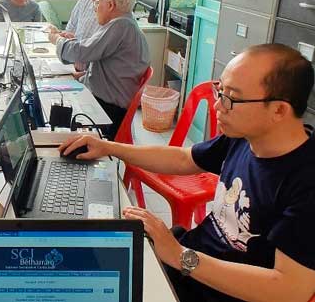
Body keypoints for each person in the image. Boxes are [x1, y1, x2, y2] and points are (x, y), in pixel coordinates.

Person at [59, 43, 315, 302]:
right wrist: (108, 147)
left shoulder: (305, 181)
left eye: (231, 98)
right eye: (220, 91)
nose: (218, 106)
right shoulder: (244, 137)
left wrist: (180, 256)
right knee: (78, 264)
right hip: (190, 259)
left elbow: (290, 290)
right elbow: (184, 158)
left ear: (279, 110)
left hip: (215, 289)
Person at [49, 0, 149, 139]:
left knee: (51, 115)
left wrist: (56, 39)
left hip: (108, 110)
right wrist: (81, 74)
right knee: (54, 100)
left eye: (97, 3)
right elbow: (103, 60)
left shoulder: (121, 26)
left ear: (110, 5)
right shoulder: (125, 24)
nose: (95, 8)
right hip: (106, 102)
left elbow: (82, 53)